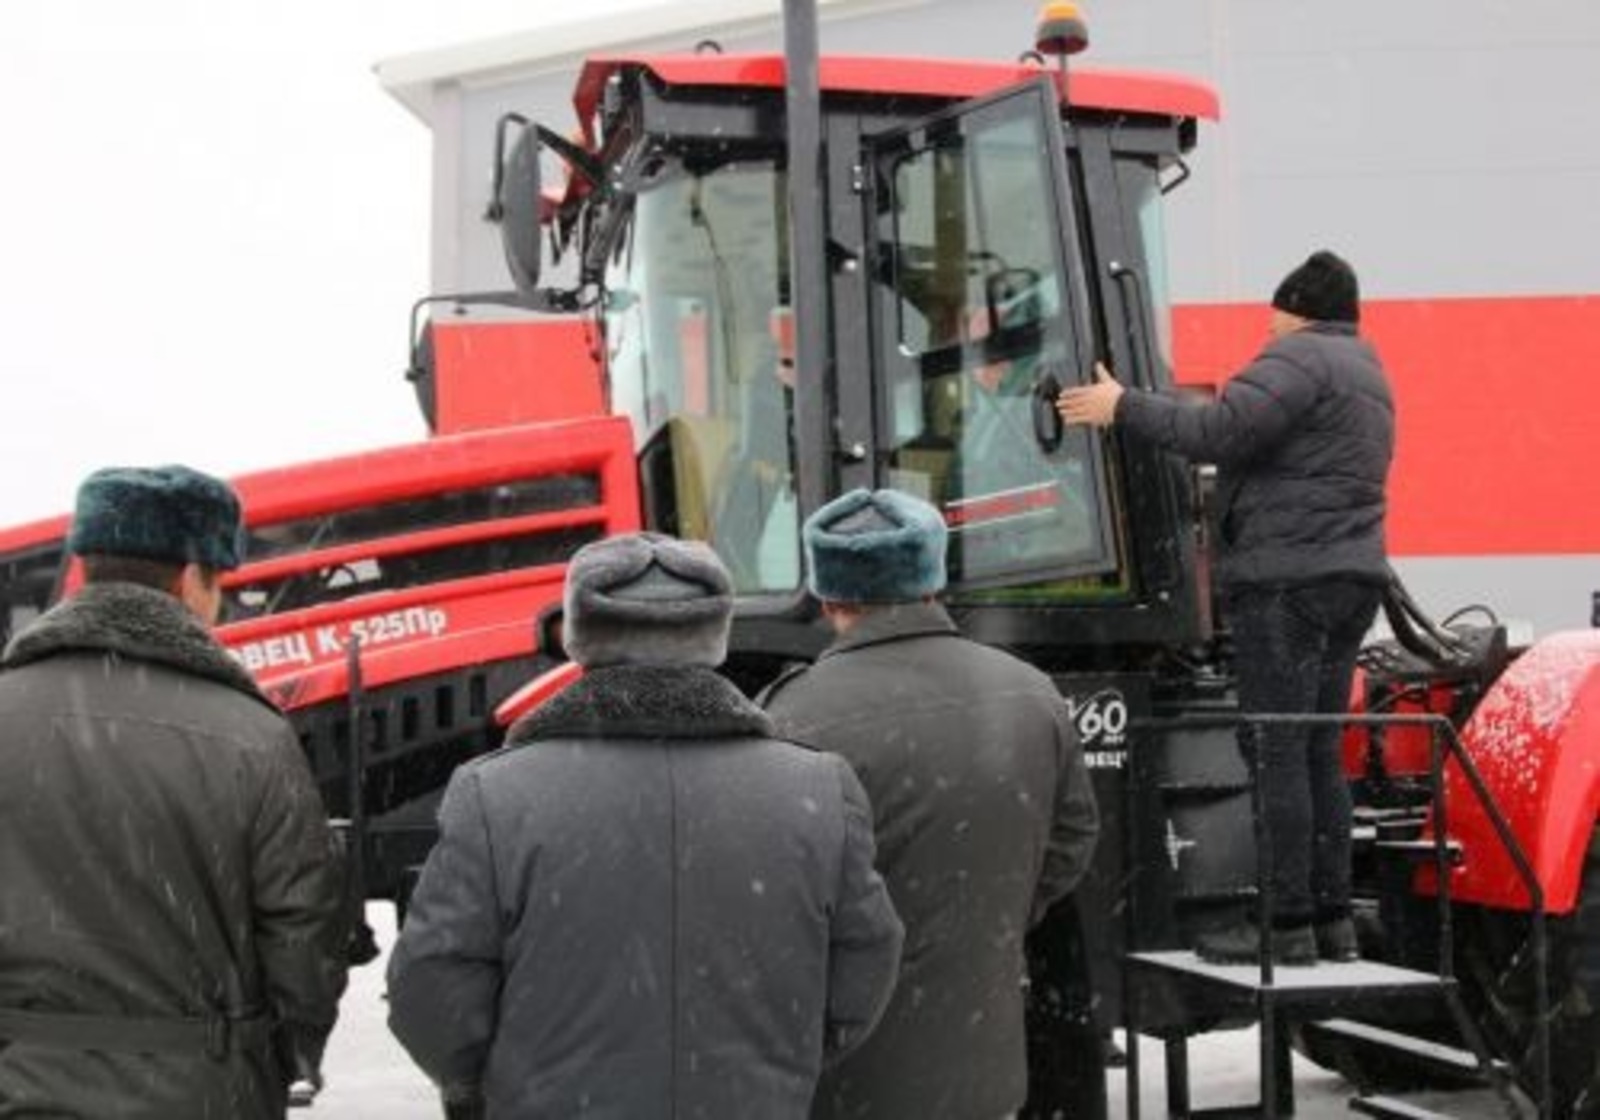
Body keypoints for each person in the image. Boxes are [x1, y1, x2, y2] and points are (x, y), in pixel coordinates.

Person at [387, 531, 904, 1118]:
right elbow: (864, 965)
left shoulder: (495, 795)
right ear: (715, 635)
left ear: (580, 636)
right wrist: (777, 1064)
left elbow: (431, 986)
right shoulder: (816, 788)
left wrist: (501, 1081)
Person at [1056, 249, 1395, 965]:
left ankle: (1283, 926)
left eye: (1275, 321)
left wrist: (1123, 407)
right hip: (1351, 580)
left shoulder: (1300, 358)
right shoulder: (1367, 370)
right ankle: (1331, 920)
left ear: (1297, 311)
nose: (1268, 334)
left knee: (1275, 747)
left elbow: (1217, 433)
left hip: (1286, 583)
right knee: (1316, 749)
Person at [0, 465, 348, 1117]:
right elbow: (302, 938)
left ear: (85, 567)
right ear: (191, 580)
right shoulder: (252, 734)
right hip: (204, 1090)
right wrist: (283, 1057)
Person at [762, 488, 1100, 1120]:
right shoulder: (1031, 693)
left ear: (828, 597)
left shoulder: (791, 716)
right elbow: (1072, 838)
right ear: (933, 579)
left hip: (849, 1081)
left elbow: (775, 897)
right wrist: (996, 916)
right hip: (987, 1070)